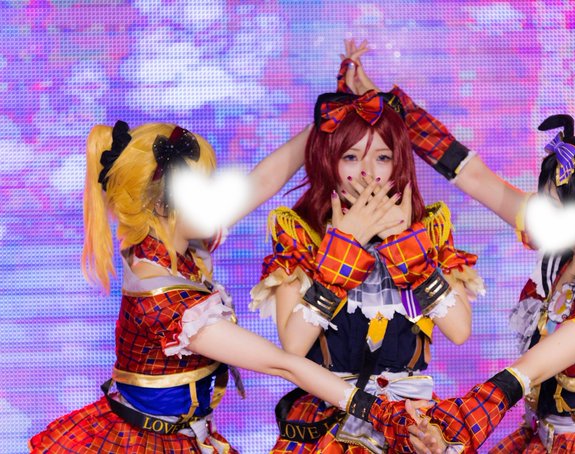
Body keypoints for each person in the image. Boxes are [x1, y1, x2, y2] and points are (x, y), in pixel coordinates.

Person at [29, 119, 416, 453]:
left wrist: (321, 124)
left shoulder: (165, 245)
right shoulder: (165, 299)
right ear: (165, 205)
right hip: (147, 441)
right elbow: (285, 363)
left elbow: (260, 183)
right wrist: (382, 412)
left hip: (182, 434)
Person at [382, 85, 575, 452]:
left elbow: (531, 369)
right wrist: (396, 109)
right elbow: (475, 178)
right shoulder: (565, 245)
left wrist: (456, 424)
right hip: (541, 437)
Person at [249, 40, 483, 453]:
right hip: (331, 417)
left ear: (399, 163)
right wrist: (346, 246)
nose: (368, 173)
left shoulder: (430, 228)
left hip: (410, 421)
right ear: (329, 160)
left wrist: (404, 244)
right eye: (351, 157)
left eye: (383, 158)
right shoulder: (300, 232)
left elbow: (459, 330)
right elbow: (293, 346)